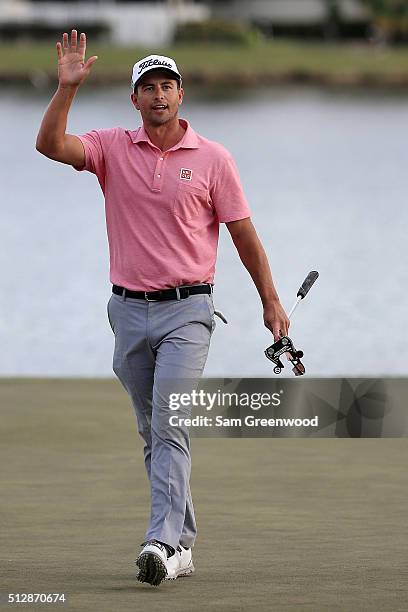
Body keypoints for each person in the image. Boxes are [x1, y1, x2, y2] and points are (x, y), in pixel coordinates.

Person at [36, 30, 290, 587]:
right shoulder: (110, 148)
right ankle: (183, 544)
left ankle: (160, 542)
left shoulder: (214, 159)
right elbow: (51, 145)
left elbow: (244, 235)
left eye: (167, 86)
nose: (158, 95)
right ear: (135, 100)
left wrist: (270, 300)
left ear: (181, 95)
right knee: (156, 431)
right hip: (127, 311)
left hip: (188, 311)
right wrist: (66, 89)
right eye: (147, 87)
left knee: (171, 422)